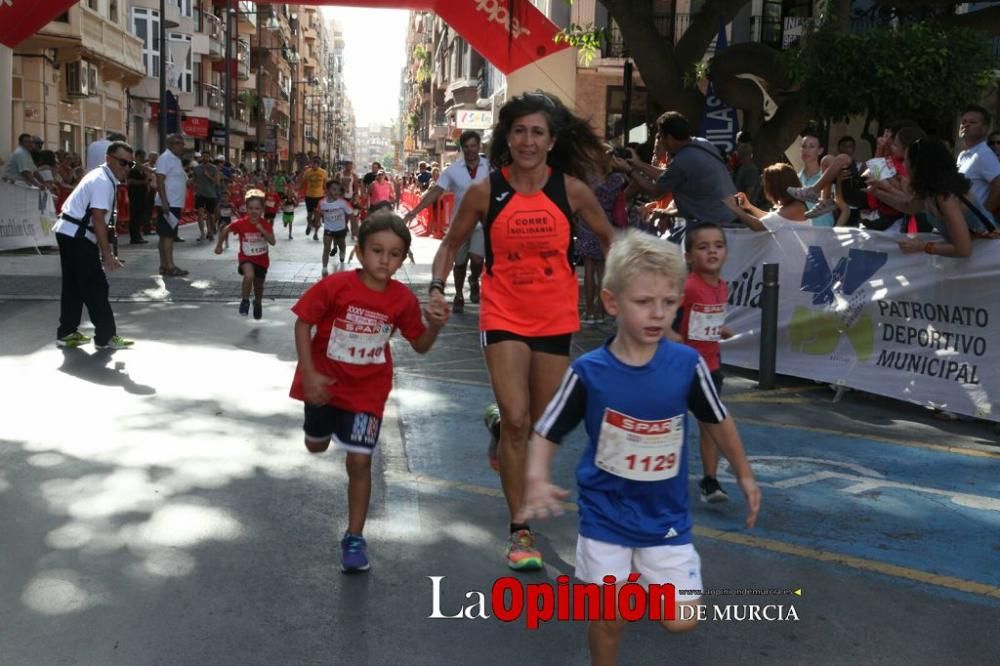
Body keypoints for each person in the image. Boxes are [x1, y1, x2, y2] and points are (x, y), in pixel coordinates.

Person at [519, 231, 760, 666]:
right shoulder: (589, 372)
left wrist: (742, 472)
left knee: (681, 619)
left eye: (669, 303)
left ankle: (636, 577)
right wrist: (536, 477)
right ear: (612, 303)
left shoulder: (686, 366)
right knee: (609, 619)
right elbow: (548, 430)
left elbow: (717, 419)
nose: (658, 314)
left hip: (664, 518)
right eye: (644, 302)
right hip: (604, 514)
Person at [429, 91, 617, 571]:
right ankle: (520, 530)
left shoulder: (571, 190)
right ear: (506, 138)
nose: (528, 141)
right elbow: (450, 245)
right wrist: (434, 288)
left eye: (537, 132)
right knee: (519, 419)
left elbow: (613, 240)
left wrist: (630, 288)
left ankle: (499, 426)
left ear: (552, 141)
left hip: (555, 316)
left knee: (538, 423)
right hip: (503, 313)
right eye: (519, 131)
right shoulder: (485, 191)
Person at [289, 213, 449, 573]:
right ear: (359, 252)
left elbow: (420, 345)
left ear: (404, 258)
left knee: (360, 462)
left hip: (367, 394)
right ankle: (323, 431)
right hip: (325, 387)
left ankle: (354, 537)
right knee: (316, 445)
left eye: (394, 254)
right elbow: (303, 322)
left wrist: (435, 326)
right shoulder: (337, 287)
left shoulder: (403, 300)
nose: (384, 260)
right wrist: (310, 373)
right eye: (377, 250)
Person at [52, 140, 137, 350]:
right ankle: (105, 337)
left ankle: (67, 332)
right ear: (109, 159)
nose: (126, 167)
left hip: (69, 232)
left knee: (74, 285)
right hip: (77, 235)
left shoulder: (103, 177)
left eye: (130, 164)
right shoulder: (102, 181)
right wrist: (107, 254)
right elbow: (98, 218)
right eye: (122, 162)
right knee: (95, 285)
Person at [675, 223, 736, 502]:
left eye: (718, 245)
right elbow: (666, 319)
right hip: (680, 369)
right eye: (703, 247)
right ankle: (657, 477)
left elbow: (704, 319)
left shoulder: (722, 287)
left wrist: (718, 329)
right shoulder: (688, 287)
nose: (712, 251)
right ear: (688, 257)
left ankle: (710, 481)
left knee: (710, 424)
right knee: (669, 425)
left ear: (725, 252)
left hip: (710, 368)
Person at [404, 130, 490, 313]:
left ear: (479, 146)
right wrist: (414, 212)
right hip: (459, 225)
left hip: (480, 225)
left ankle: (474, 280)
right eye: (466, 147)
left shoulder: (489, 167)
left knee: (477, 259)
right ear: (461, 149)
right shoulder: (452, 170)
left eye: (473, 146)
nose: (470, 150)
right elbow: (436, 192)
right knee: (459, 263)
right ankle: (459, 295)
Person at [871, 137, 995, 258]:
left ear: (919, 166)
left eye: (906, 160)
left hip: (989, 255)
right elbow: (909, 207)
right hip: (978, 258)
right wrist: (875, 192)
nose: (904, 164)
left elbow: (963, 249)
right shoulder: (931, 190)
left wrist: (922, 246)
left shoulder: (945, 197)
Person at [616, 111, 739, 231]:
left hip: (718, 226)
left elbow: (656, 192)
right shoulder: (703, 144)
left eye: (662, 138)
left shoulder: (683, 160)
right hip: (731, 217)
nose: (662, 144)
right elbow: (667, 175)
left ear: (669, 138)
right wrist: (638, 164)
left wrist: (630, 171)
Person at [214, 189, 276, 319]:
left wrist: (262, 230)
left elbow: (272, 241)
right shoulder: (241, 223)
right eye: (251, 208)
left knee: (259, 285)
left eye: (257, 208)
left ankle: (257, 302)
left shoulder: (265, 224)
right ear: (246, 209)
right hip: (246, 257)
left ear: (262, 209)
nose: (254, 211)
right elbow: (225, 229)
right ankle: (245, 301)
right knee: (249, 276)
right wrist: (219, 245)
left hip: (262, 260)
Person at [726, 163, 808, 231]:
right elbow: (772, 216)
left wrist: (736, 209)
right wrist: (749, 207)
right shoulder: (792, 205)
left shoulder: (796, 208)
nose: (764, 187)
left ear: (776, 187)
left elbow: (760, 226)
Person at [956, 104, 1000, 226]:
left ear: (985, 129)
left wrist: (983, 216)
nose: (966, 125)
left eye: (972, 122)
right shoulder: (963, 155)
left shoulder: (983, 154)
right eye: (964, 121)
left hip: (976, 227)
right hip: (963, 222)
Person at [154, 133, 190, 276]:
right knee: (168, 235)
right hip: (168, 202)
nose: (180, 146)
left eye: (181, 143)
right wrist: (164, 202)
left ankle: (164, 265)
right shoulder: (165, 158)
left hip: (174, 202)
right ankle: (170, 266)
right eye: (177, 143)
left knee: (165, 235)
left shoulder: (176, 160)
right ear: (169, 144)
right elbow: (160, 180)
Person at [319, 179, 356, 275]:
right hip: (328, 229)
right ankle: (324, 268)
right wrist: (317, 221)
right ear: (327, 190)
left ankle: (342, 252)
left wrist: (354, 228)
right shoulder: (322, 203)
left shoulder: (342, 203)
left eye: (338, 190)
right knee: (326, 248)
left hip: (340, 228)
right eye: (334, 189)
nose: (336, 192)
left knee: (342, 245)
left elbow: (351, 214)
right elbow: (320, 213)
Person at [192, 152, 221, 241]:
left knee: (210, 215)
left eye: (207, 157)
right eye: (203, 157)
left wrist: (208, 176)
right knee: (200, 213)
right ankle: (202, 233)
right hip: (200, 194)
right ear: (201, 158)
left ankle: (210, 231)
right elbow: (194, 180)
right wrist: (194, 188)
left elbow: (217, 182)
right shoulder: (196, 168)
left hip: (210, 194)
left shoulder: (213, 168)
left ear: (209, 158)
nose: (205, 158)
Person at [299, 156, 328, 240]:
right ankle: (309, 224)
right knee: (309, 215)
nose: (314, 165)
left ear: (319, 165)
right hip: (309, 196)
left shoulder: (324, 172)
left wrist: (327, 194)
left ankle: (316, 233)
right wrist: (298, 188)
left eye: (316, 164)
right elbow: (303, 182)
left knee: (317, 217)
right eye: (313, 164)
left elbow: (325, 184)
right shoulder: (308, 172)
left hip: (319, 197)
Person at [125, 151, 150, 244]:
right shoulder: (133, 166)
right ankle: (134, 236)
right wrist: (143, 182)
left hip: (142, 194)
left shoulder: (141, 167)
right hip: (135, 194)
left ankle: (138, 235)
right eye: (142, 157)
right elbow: (130, 181)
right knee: (135, 215)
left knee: (140, 215)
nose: (143, 159)